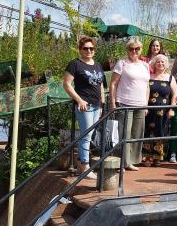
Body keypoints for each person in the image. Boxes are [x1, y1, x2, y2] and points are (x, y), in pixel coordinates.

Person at [62, 36, 105, 180]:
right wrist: (79, 100)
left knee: (89, 134)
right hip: (84, 105)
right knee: (86, 136)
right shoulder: (75, 64)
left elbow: (100, 85)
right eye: (85, 48)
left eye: (91, 48)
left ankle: (81, 165)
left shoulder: (97, 65)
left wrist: (102, 103)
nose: (89, 51)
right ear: (80, 49)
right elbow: (67, 84)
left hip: (96, 105)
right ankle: (85, 167)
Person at [109, 37, 150, 171]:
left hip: (140, 104)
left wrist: (146, 104)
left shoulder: (145, 65)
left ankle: (130, 161)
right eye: (131, 49)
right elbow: (113, 83)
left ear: (141, 50)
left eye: (137, 48)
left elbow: (147, 86)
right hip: (124, 103)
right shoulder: (122, 63)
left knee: (137, 134)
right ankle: (123, 162)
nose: (134, 51)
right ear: (127, 50)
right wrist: (113, 102)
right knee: (124, 133)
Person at [147, 54, 177, 165]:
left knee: (161, 131)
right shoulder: (149, 76)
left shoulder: (170, 78)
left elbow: (174, 95)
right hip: (149, 109)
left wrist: (172, 109)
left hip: (164, 110)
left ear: (166, 65)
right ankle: (147, 156)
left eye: (163, 62)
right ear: (154, 64)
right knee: (147, 131)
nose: (160, 64)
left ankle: (157, 157)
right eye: (158, 62)